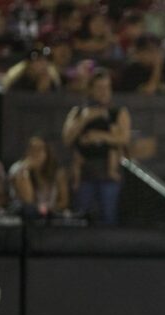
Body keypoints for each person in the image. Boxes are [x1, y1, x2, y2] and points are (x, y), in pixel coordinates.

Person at [62, 68, 131, 225]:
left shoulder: (118, 112)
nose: (104, 92)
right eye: (99, 87)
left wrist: (99, 136)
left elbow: (124, 138)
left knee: (108, 217)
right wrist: (85, 119)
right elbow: (67, 139)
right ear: (91, 89)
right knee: (81, 217)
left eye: (107, 87)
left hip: (108, 173)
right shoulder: (79, 112)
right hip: (84, 172)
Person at [9, 136, 69, 220]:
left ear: (47, 153)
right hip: (27, 218)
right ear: (27, 152)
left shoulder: (57, 172)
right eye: (32, 149)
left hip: (52, 217)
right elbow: (28, 200)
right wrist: (26, 170)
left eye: (40, 149)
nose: (35, 154)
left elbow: (64, 202)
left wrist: (47, 210)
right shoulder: (18, 169)